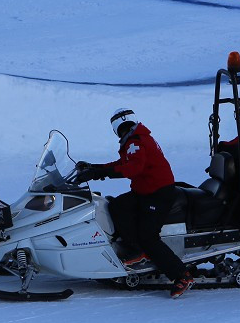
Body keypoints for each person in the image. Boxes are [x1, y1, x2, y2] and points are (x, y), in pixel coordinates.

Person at [76, 109, 195, 297]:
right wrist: (95, 168)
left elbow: (133, 168)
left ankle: (181, 275)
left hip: (157, 194)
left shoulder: (136, 141)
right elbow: (124, 162)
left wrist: (100, 173)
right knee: (115, 205)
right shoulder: (136, 138)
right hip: (145, 191)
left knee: (149, 236)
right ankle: (135, 249)